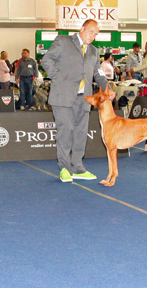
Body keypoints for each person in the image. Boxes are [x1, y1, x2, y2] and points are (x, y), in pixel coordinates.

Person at [42, 19, 109, 183]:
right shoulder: (63, 41)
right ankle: (64, 168)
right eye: (91, 32)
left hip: (84, 99)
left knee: (80, 134)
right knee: (65, 132)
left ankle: (78, 167)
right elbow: (46, 60)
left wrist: (107, 88)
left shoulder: (93, 51)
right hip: (63, 96)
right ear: (82, 28)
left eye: (96, 34)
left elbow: (98, 73)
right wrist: (59, 79)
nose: (93, 36)